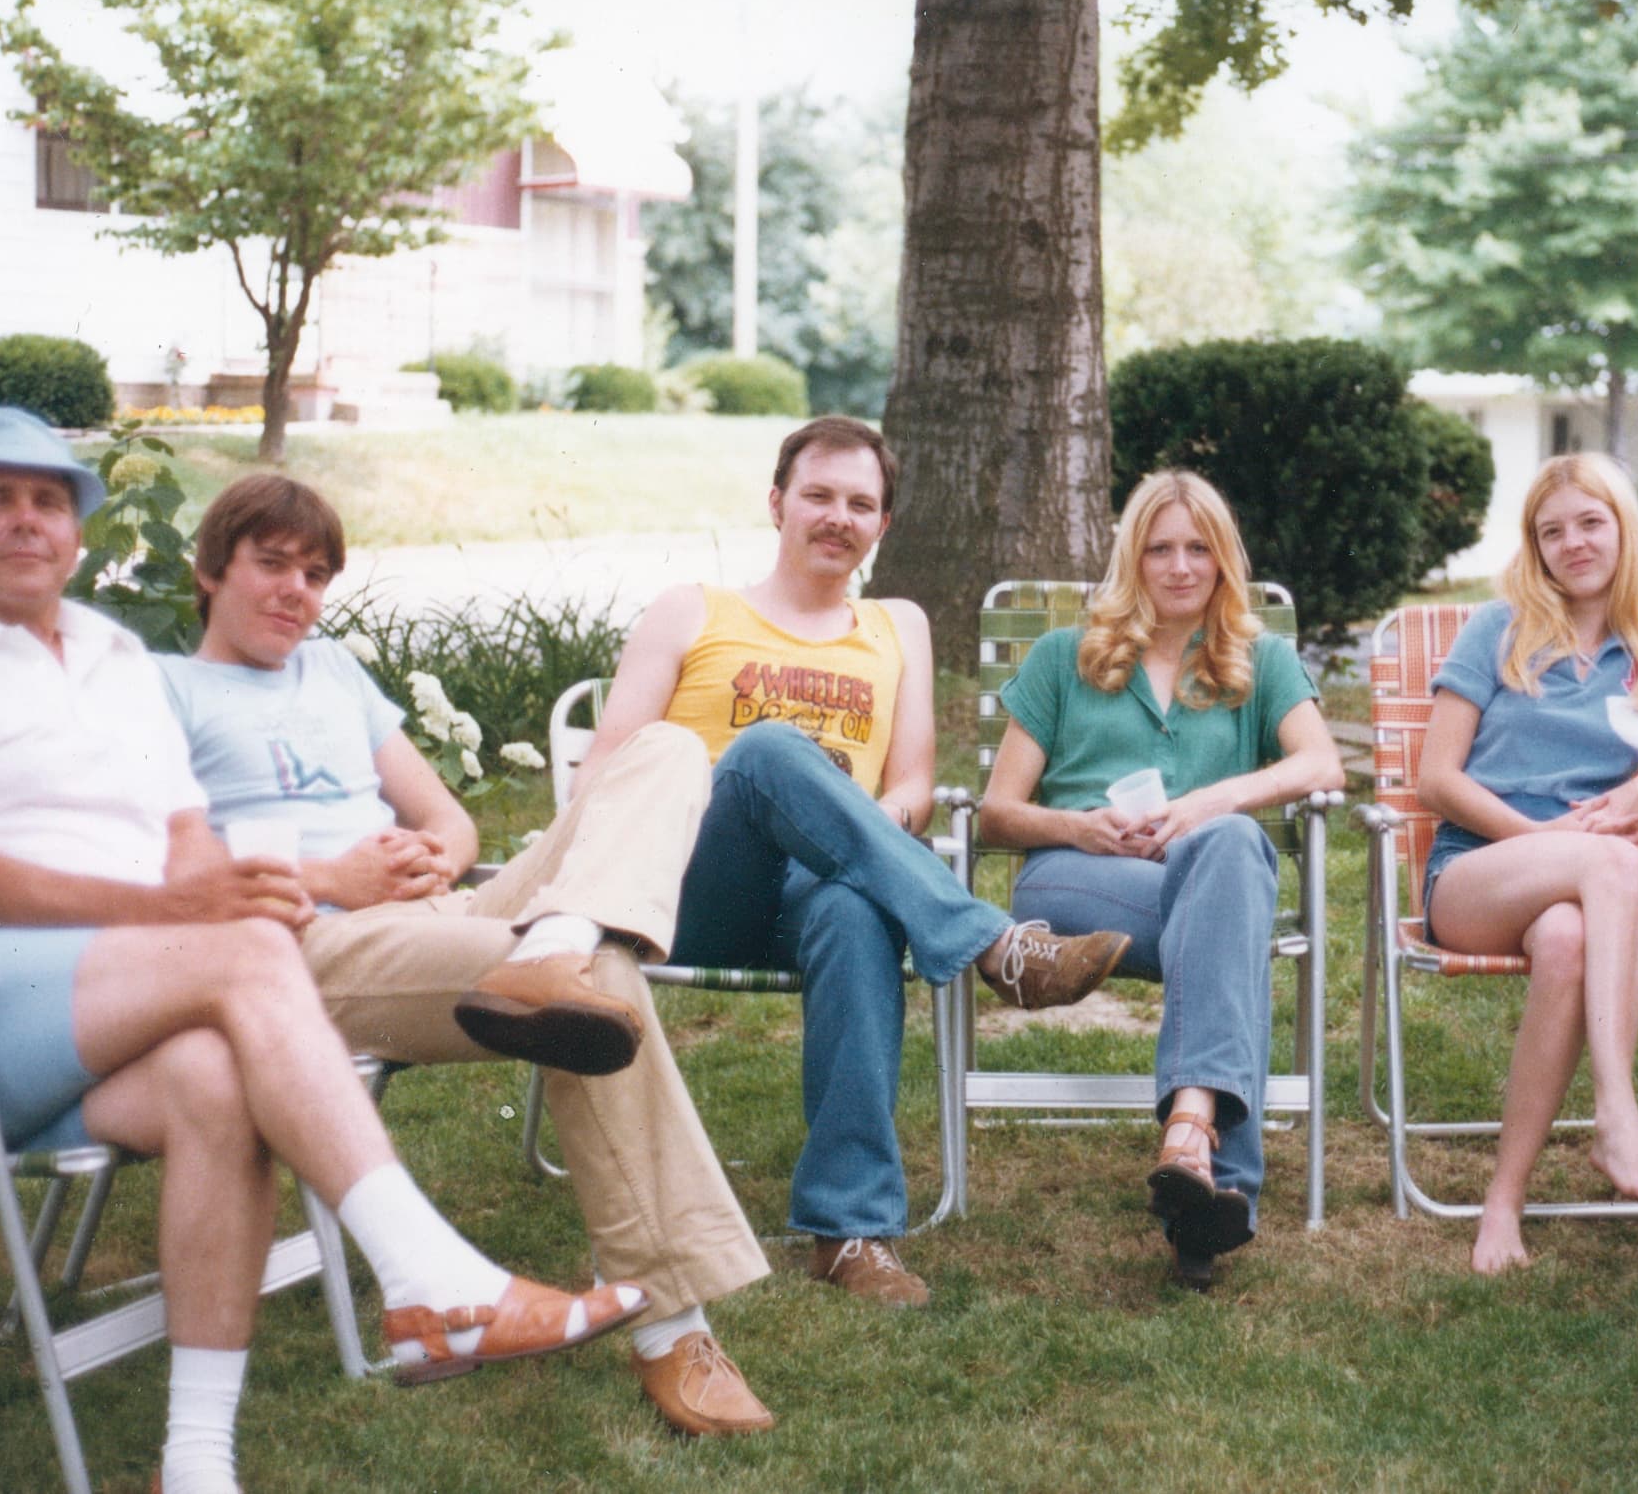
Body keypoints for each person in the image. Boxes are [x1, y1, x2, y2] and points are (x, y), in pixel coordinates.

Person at [0, 409, 642, 1494]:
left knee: (219, 1079)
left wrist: (220, 887)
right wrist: (183, 911)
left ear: (77, 534)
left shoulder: (111, 661)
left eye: (49, 500)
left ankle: (195, 1463)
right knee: (247, 952)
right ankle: (429, 1275)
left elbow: (184, 837)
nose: (26, 520)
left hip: (83, 1014)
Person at [155, 474, 774, 1437]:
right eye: (271, 565)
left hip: (436, 910)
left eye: (315, 575)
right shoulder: (163, 692)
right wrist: (330, 878)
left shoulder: (335, 678)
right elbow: (161, 863)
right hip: (301, 946)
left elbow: (447, 816)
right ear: (209, 570)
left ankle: (559, 939)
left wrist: (431, 852)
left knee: (666, 750)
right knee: (596, 985)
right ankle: (674, 1330)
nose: (296, 592)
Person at [584, 414, 1131, 1307]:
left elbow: (913, 784)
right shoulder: (695, 610)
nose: (839, 516)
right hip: (692, 883)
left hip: (819, 891)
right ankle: (1000, 949)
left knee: (858, 907)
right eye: (820, 495)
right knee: (766, 754)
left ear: (882, 526)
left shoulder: (897, 626)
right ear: (777, 503)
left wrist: (852, 839)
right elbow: (607, 763)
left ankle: (850, 1233)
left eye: (861, 504)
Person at [975, 470, 1343, 1289]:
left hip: (1204, 882)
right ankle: (1222, 1171)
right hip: (1075, 884)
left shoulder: (1260, 661)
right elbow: (998, 813)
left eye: (1198, 549)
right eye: (1160, 549)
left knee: (1231, 851)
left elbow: (1324, 763)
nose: (1180, 567)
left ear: (1223, 561)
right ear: (1132, 559)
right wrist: (1079, 827)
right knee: (1232, 896)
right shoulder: (1063, 658)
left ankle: (1191, 1145)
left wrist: (1210, 802)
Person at [1415, 453, 1638, 1275]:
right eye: (1550, 531)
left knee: (1567, 941)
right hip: (1477, 874)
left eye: (1590, 522)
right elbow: (1436, 777)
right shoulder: (1500, 628)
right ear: (1534, 547)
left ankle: (1503, 1201)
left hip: (1579, 895)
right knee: (1616, 867)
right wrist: (1541, 840)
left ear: (1623, 528)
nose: (1573, 543)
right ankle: (1616, 1116)